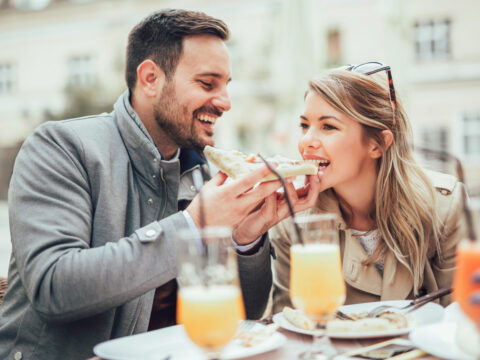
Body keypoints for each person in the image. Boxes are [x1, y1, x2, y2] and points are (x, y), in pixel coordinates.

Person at [0, 9, 321, 360]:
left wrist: (245, 239)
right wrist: (195, 224)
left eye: (226, 85)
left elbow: (240, 321)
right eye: (206, 83)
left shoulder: (204, 177)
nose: (225, 102)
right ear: (151, 78)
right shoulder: (62, 148)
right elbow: (53, 287)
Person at [271, 62, 466, 314]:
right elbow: (289, 324)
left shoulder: (446, 207)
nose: (306, 141)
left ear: (377, 143)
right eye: (304, 125)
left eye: (328, 126)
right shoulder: (293, 221)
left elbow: (462, 321)